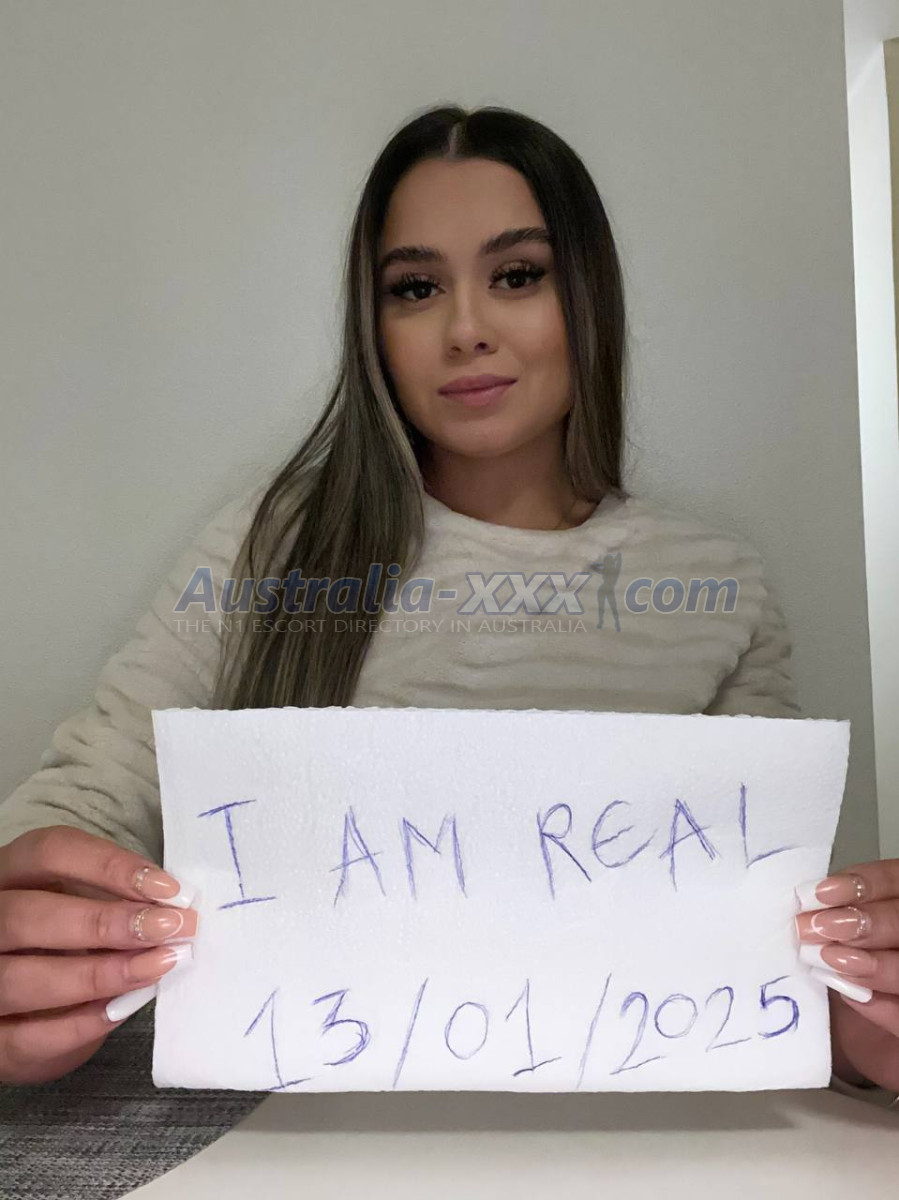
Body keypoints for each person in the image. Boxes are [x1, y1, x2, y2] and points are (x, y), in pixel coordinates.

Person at [0, 104, 896, 1107]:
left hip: (625, 1130)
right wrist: (41, 935)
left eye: (516, 275)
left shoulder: (716, 584)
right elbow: (93, 793)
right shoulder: (278, 541)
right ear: (373, 326)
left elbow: (758, 926)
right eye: (416, 288)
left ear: (586, 294)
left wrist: (853, 1019)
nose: (466, 329)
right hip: (282, 1126)